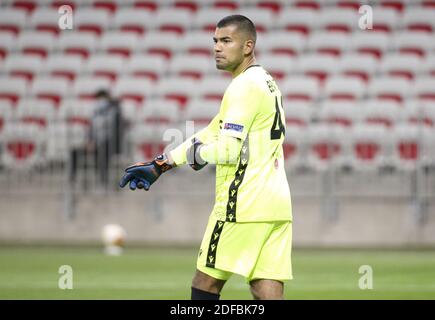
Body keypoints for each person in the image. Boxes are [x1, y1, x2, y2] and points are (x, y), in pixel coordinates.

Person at [119, 15, 292, 300]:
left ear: (248, 46)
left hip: (243, 205)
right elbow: (213, 131)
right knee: (266, 285)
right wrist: (162, 163)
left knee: (205, 283)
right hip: (276, 205)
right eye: (215, 41)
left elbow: (227, 149)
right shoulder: (265, 81)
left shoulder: (243, 87)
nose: (217, 47)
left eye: (226, 41)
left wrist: (196, 155)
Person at [88, 89, 124, 188]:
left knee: (102, 151)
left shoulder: (115, 111)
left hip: (111, 143)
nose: (100, 101)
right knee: (74, 152)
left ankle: (103, 181)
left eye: (102, 98)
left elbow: (117, 130)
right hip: (96, 143)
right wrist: (90, 141)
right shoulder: (95, 113)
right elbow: (91, 130)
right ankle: (72, 182)